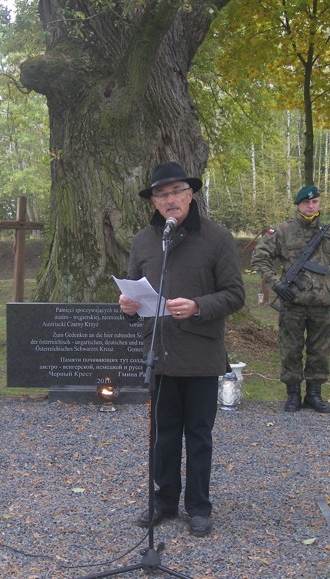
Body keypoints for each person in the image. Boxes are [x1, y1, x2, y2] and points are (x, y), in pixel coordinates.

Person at [118, 162, 245, 538]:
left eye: (176, 192)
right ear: (154, 202)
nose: (170, 199)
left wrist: (198, 306)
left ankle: (199, 506)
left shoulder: (217, 238)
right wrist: (126, 306)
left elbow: (235, 294)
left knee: (199, 434)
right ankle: (164, 501)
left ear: (190, 195)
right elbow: (133, 291)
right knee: (164, 433)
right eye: (162, 194)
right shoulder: (144, 241)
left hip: (201, 355)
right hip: (159, 353)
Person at [250, 184, 330, 414]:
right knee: (290, 349)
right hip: (293, 302)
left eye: (315, 202)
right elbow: (260, 257)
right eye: (306, 202)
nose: (311, 206)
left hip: (324, 303)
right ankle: (293, 394)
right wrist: (276, 283)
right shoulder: (283, 231)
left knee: (321, 350)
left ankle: (314, 394)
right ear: (298, 205)